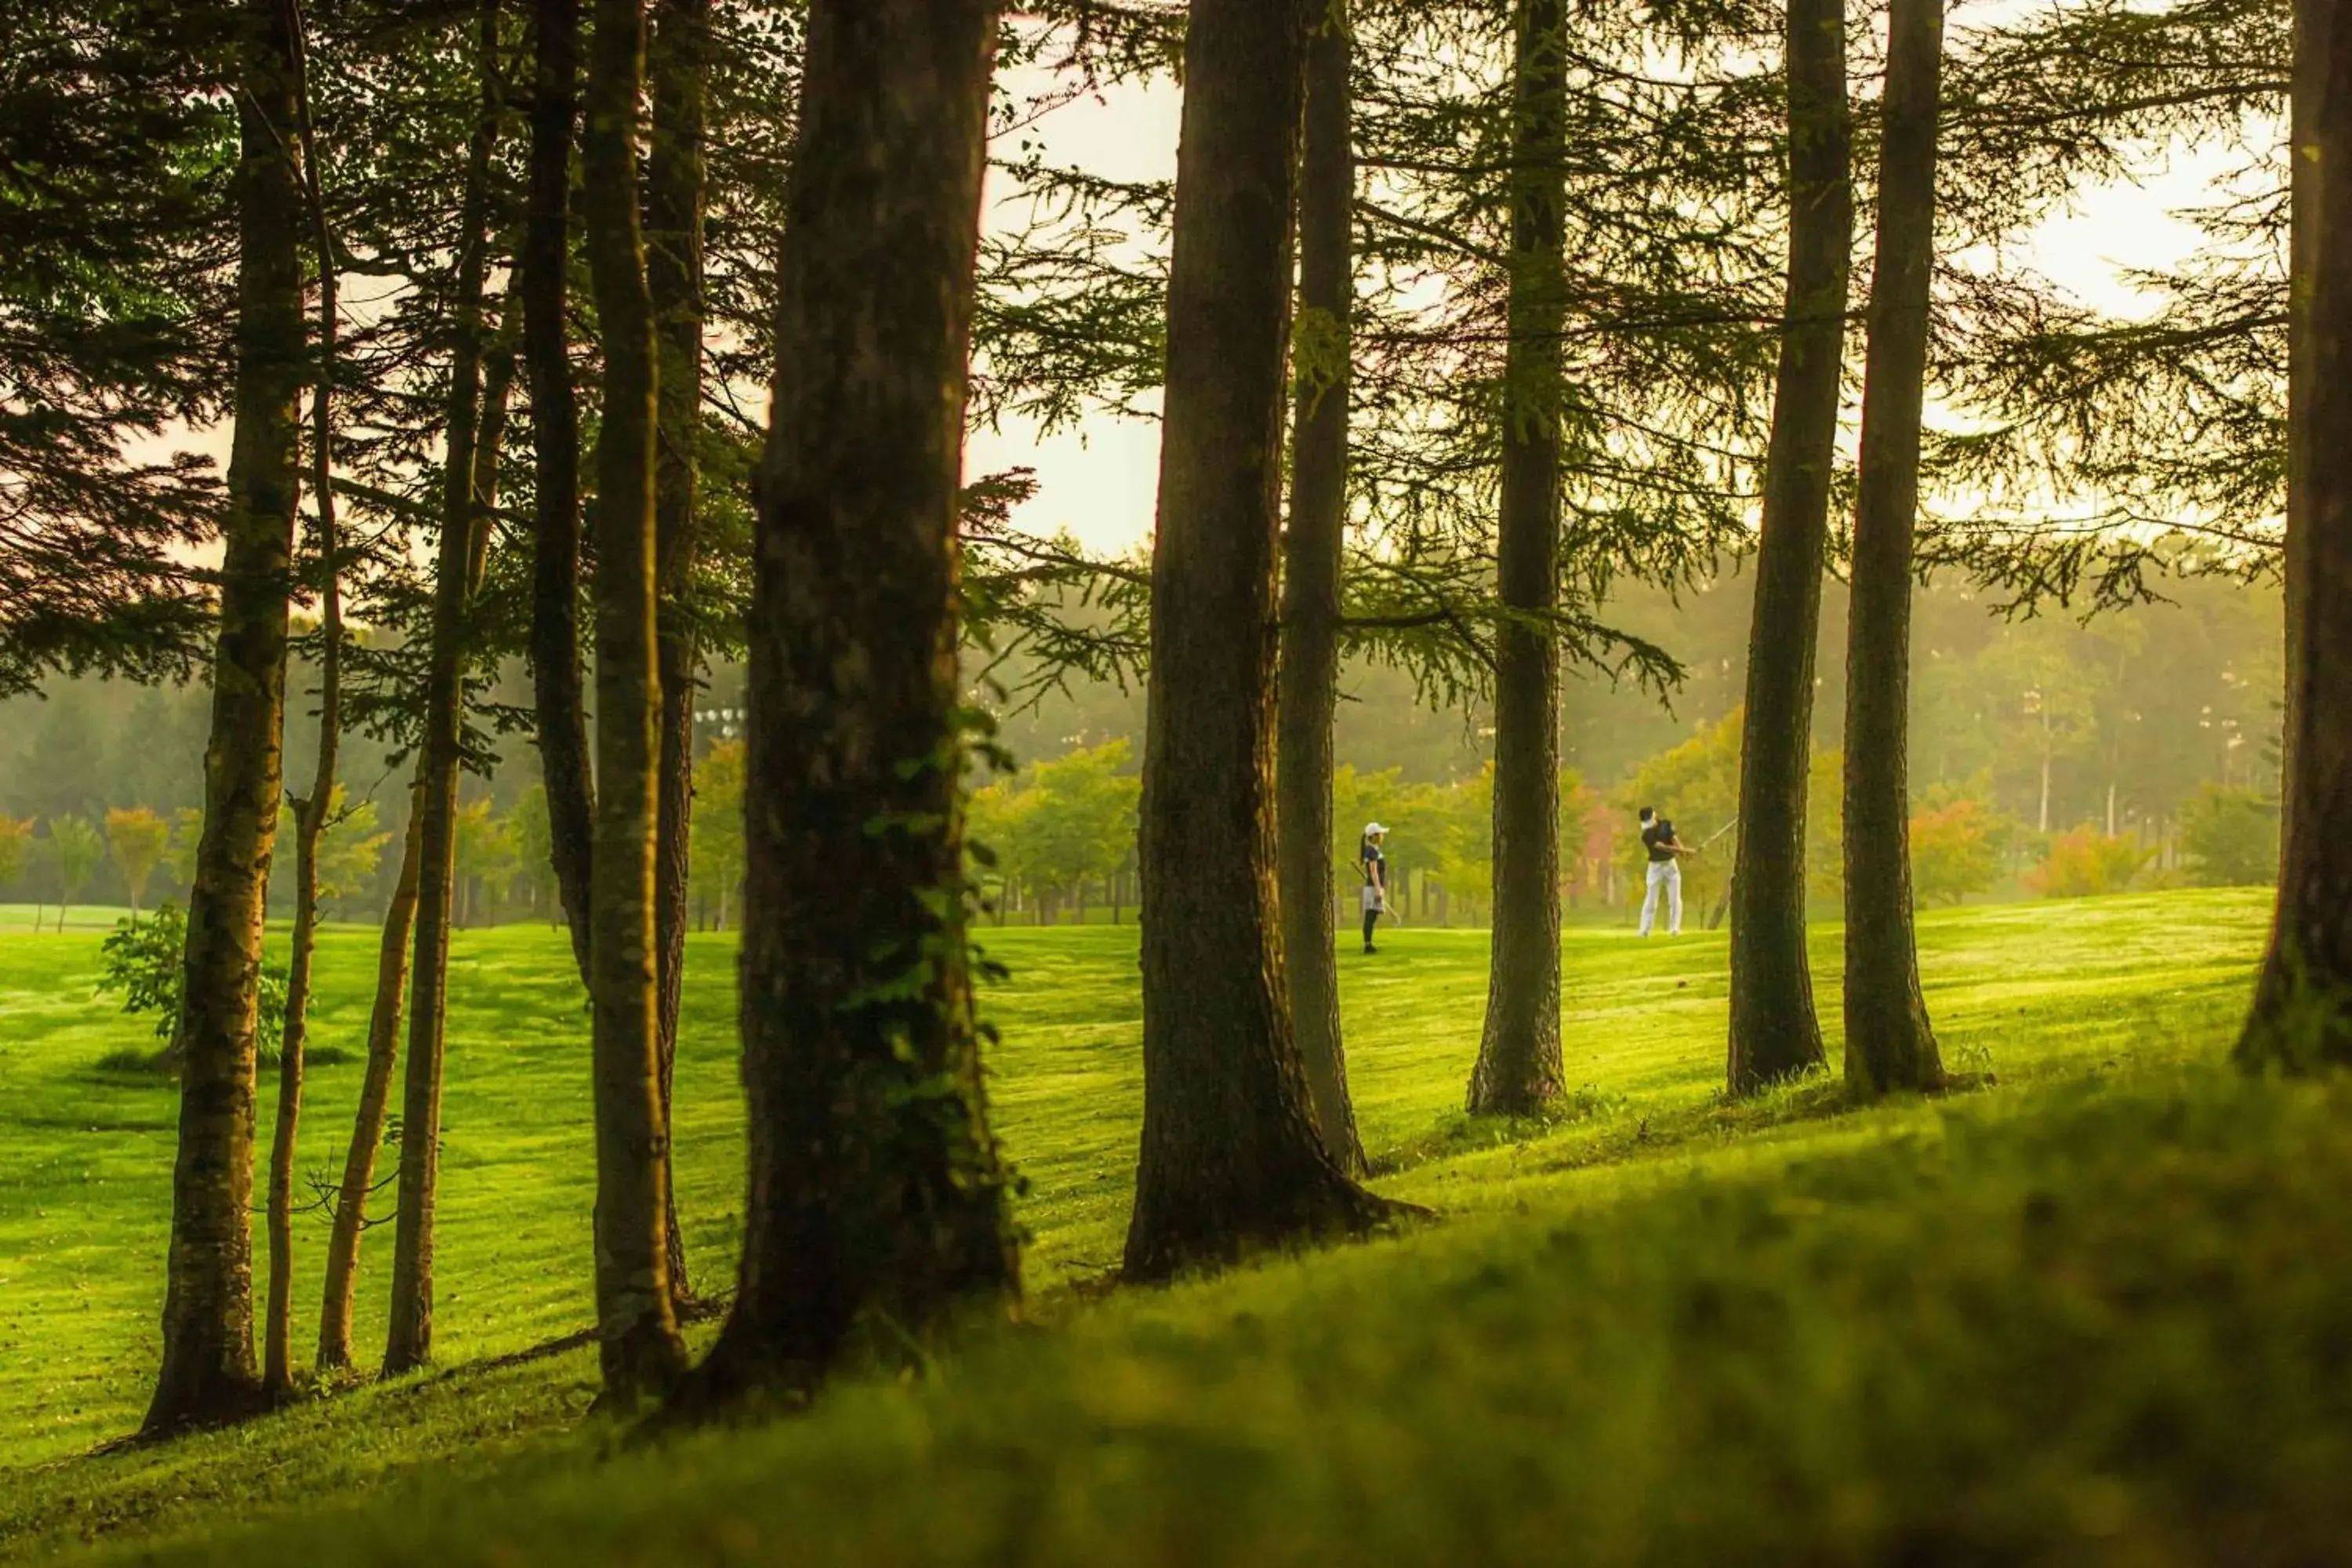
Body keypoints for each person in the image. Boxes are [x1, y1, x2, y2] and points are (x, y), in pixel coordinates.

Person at [1637, 805, 1698, 938]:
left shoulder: (1666, 825)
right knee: (1651, 900)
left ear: (1654, 816)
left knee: (1675, 899)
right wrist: (1686, 851)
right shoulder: (1646, 834)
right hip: (1655, 867)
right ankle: (1644, 930)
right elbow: (1662, 847)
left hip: (1671, 866)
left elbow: (1674, 840)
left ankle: (1675, 929)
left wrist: (1684, 854)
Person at [1358, 822, 1390, 954]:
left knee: (1373, 915)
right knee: (1371, 916)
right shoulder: (1371, 851)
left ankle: (1368, 943)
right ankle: (1368, 945)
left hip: (1374, 887)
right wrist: (1378, 889)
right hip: (1373, 888)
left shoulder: (1373, 850)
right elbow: (1374, 872)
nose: (1383, 836)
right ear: (1374, 836)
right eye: (1381, 834)